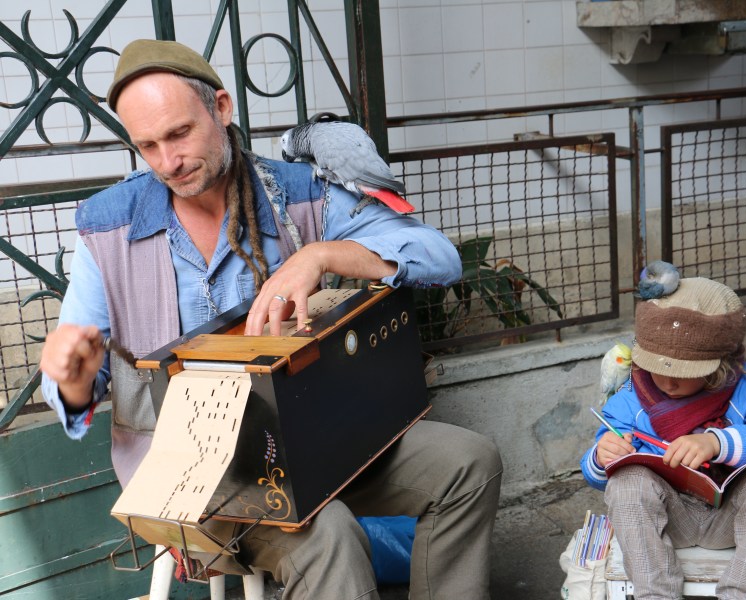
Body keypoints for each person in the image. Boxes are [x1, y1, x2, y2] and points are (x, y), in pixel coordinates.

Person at [39, 39, 502, 600]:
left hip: (322, 439)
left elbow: (439, 257)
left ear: (221, 107)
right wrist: (72, 377)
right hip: (199, 478)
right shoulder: (106, 230)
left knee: (468, 462)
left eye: (180, 134)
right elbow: (76, 395)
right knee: (328, 533)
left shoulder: (299, 193)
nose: (168, 162)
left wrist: (321, 255)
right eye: (148, 146)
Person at [580, 276, 746, 600]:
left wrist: (718, 442)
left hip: (732, 518)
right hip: (668, 518)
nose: (668, 383)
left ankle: (743, 594)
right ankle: (656, 595)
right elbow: (596, 475)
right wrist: (601, 457)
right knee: (626, 482)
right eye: (659, 368)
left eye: (683, 373)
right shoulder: (630, 397)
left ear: (720, 364)